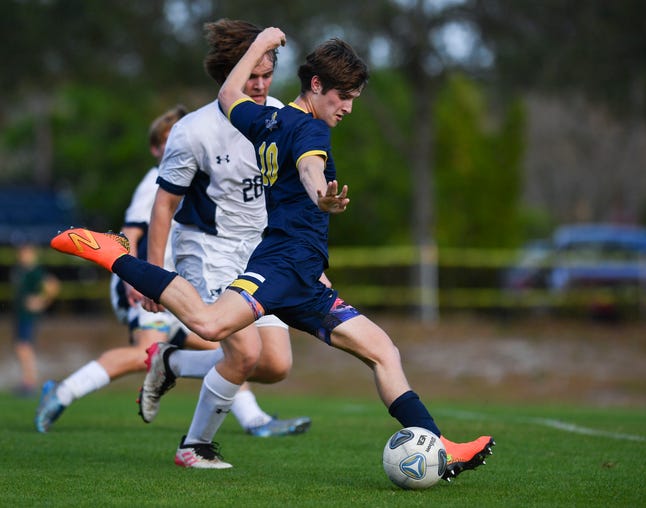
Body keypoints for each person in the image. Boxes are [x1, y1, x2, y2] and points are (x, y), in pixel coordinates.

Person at [50, 27, 494, 481]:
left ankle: (440, 446)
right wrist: (320, 194)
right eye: (343, 96)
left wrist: (262, 43)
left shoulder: (268, 120)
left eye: (354, 99)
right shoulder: (309, 130)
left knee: (382, 351)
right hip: (279, 266)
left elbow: (228, 92)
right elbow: (309, 166)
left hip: (305, 279)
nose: (348, 108)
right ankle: (114, 254)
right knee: (207, 323)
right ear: (317, 86)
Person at [36, 105, 308, 437]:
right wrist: (134, 280)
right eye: (166, 140)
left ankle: (253, 419)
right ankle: (62, 392)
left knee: (230, 349)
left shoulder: (203, 170)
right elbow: (131, 232)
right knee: (145, 354)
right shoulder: (155, 181)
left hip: (183, 282)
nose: (174, 144)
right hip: (147, 280)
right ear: (155, 148)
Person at [138, 19, 310, 443]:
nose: (259, 84)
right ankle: (195, 446)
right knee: (245, 353)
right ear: (228, 75)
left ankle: (171, 363)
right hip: (207, 249)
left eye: (267, 75)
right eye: (250, 75)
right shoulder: (194, 131)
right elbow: (164, 205)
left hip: (260, 253)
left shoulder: (279, 122)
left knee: (275, 365)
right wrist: (153, 273)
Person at [10, 240, 60, 397]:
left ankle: (29, 382)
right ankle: (27, 381)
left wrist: (42, 301)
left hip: (28, 316)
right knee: (21, 347)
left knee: (24, 347)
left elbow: (53, 285)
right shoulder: (21, 269)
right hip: (20, 314)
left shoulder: (36, 271)